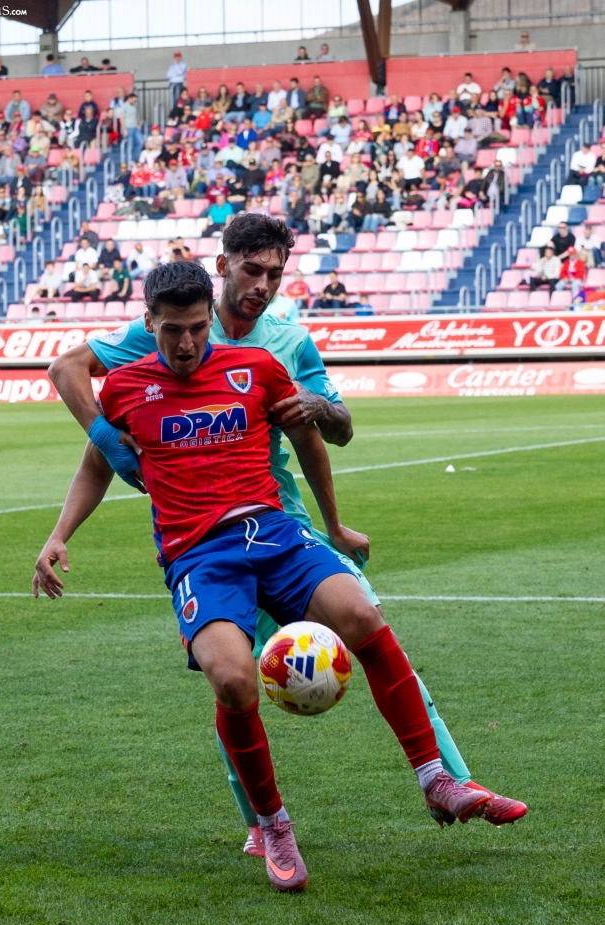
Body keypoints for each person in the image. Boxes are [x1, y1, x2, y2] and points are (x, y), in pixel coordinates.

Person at [34, 213, 527, 858]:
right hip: (200, 542)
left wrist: (331, 510)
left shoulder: (279, 349)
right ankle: (263, 823)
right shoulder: (137, 358)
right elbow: (69, 374)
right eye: (251, 269)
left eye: (274, 272)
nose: (262, 284)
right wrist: (95, 468)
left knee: (368, 624)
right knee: (233, 679)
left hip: (280, 523)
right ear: (221, 270)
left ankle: (446, 781)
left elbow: (328, 434)